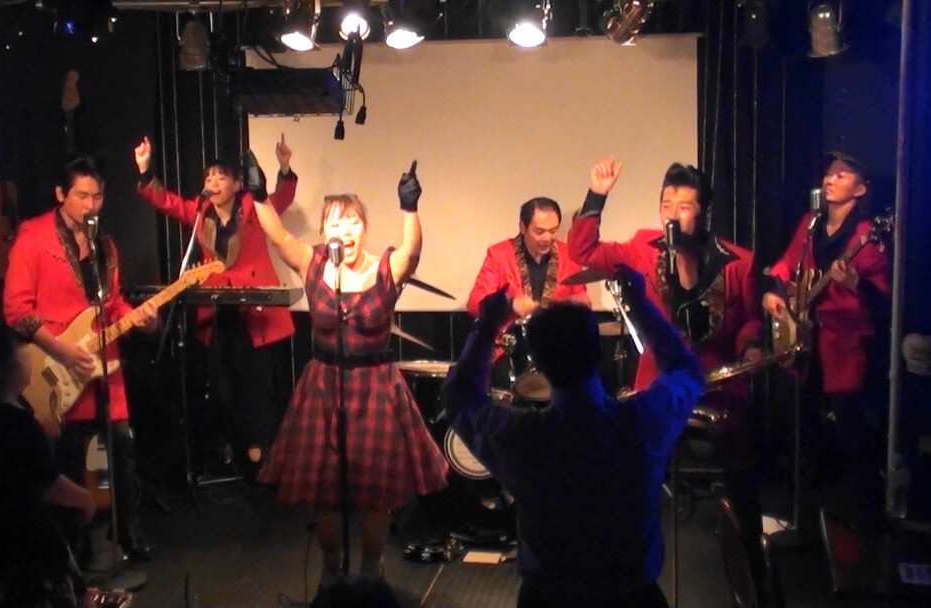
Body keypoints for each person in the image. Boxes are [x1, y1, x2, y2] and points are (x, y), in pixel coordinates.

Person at [443, 269, 703, 608]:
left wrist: (488, 326)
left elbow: (460, 396)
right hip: (633, 597)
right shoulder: (642, 423)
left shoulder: (522, 438)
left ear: (539, 363)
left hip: (548, 599)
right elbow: (687, 371)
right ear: (598, 350)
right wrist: (638, 305)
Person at [568, 159, 766, 584]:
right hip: (658, 382)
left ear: (703, 212)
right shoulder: (644, 248)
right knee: (631, 470)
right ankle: (627, 568)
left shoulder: (738, 262)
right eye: (666, 205)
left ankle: (753, 563)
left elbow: (750, 320)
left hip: (718, 383)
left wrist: (751, 346)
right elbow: (582, 251)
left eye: (684, 206)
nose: (672, 214)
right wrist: (597, 195)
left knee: (742, 468)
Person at [253, 160, 448, 586]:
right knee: (326, 490)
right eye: (336, 223)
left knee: (375, 490)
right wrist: (259, 196)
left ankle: (372, 568)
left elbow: (412, 252)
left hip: (375, 388)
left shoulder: (385, 267)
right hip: (325, 385)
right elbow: (279, 236)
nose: (345, 229)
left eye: (353, 221)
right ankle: (330, 569)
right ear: (325, 231)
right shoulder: (313, 262)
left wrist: (409, 208)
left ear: (365, 227)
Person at [3, 157, 159, 561]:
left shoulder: (104, 244)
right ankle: (74, 542)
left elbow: (114, 304)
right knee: (68, 458)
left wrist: (141, 320)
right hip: (57, 365)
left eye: (98, 196)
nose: (92, 205)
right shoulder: (34, 236)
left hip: (103, 362)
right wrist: (62, 351)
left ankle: (127, 531)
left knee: (123, 448)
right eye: (82, 196)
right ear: (61, 194)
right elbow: (16, 310)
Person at [134, 134, 298, 473]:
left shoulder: (253, 206)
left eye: (221, 176)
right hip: (217, 310)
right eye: (209, 176)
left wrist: (284, 167)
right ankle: (231, 453)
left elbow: (281, 198)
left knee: (255, 388)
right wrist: (146, 170)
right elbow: (165, 201)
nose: (213, 182)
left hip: (253, 312)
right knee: (222, 387)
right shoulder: (200, 212)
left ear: (237, 184)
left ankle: (259, 456)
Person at [763, 151, 890, 529]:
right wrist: (775, 292)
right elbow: (787, 264)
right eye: (829, 174)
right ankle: (810, 510)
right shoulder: (811, 224)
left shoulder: (866, 236)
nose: (830, 179)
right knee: (801, 419)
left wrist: (855, 282)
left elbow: (885, 299)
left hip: (846, 344)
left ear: (860, 189)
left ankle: (859, 519)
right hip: (807, 338)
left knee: (851, 428)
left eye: (841, 175)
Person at [0, 325, 95, 608]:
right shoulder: (18, 423)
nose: (28, 353)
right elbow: (47, 485)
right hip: (21, 535)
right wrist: (85, 499)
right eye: (20, 348)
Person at [467, 197, 590, 324]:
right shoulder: (499, 255)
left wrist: (570, 304)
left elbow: (583, 301)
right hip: (512, 333)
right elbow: (474, 304)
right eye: (539, 231)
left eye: (553, 231)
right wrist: (511, 304)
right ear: (522, 227)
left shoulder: (569, 256)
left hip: (555, 333)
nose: (547, 238)